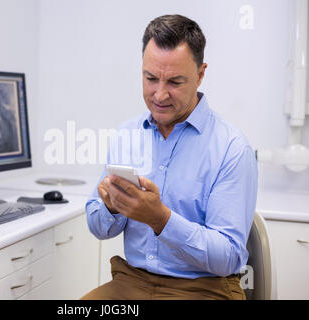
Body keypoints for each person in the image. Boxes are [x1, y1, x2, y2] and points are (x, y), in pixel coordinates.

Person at [81, 14, 258, 300]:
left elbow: (229, 256)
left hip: (206, 287)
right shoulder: (128, 134)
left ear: (200, 74)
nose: (159, 94)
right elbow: (99, 228)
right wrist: (111, 208)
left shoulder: (232, 148)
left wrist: (161, 219)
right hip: (132, 281)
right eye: (151, 78)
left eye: (175, 81)